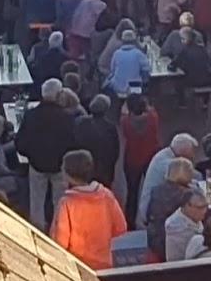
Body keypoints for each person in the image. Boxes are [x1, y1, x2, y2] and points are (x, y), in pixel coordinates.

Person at [15, 78, 77, 231]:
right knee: (59, 202)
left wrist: (30, 155)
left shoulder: (31, 115)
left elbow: (20, 142)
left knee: (36, 201)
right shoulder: (67, 118)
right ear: (58, 95)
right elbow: (73, 142)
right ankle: (58, 232)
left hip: (37, 165)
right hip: (59, 166)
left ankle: (37, 232)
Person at [51, 150, 126, 271]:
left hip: (77, 267)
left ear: (69, 174)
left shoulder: (66, 203)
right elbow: (121, 227)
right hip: (105, 265)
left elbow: (61, 242)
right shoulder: (106, 195)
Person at [137, 133, 199, 229]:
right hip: (152, 210)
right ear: (183, 152)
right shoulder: (169, 164)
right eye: (191, 152)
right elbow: (191, 176)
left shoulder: (164, 154)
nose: (193, 155)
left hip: (157, 205)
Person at [120, 94, 161, 227]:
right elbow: (151, 109)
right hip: (150, 157)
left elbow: (124, 113)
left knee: (132, 192)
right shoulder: (153, 118)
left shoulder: (125, 122)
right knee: (152, 189)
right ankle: (151, 218)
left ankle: (129, 222)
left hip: (132, 159)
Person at [146, 157, 198, 260]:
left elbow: (147, 215)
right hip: (178, 243)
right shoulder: (189, 195)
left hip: (155, 240)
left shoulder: (156, 191)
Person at [73, 95, 119, 188]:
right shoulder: (110, 128)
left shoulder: (80, 123)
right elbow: (115, 151)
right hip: (103, 170)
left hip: (84, 167)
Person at [164, 190, 210, 262]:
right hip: (182, 268)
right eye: (200, 207)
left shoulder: (192, 217)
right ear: (187, 206)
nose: (204, 211)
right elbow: (199, 248)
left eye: (206, 206)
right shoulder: (175, 226)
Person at [104, 30, 150, 97]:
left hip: (118, 88)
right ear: (134, 41)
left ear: (122, 41)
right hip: (134, 88)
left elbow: (112, 70)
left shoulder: (117, 53)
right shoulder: (138, 54)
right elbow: (147, 69)